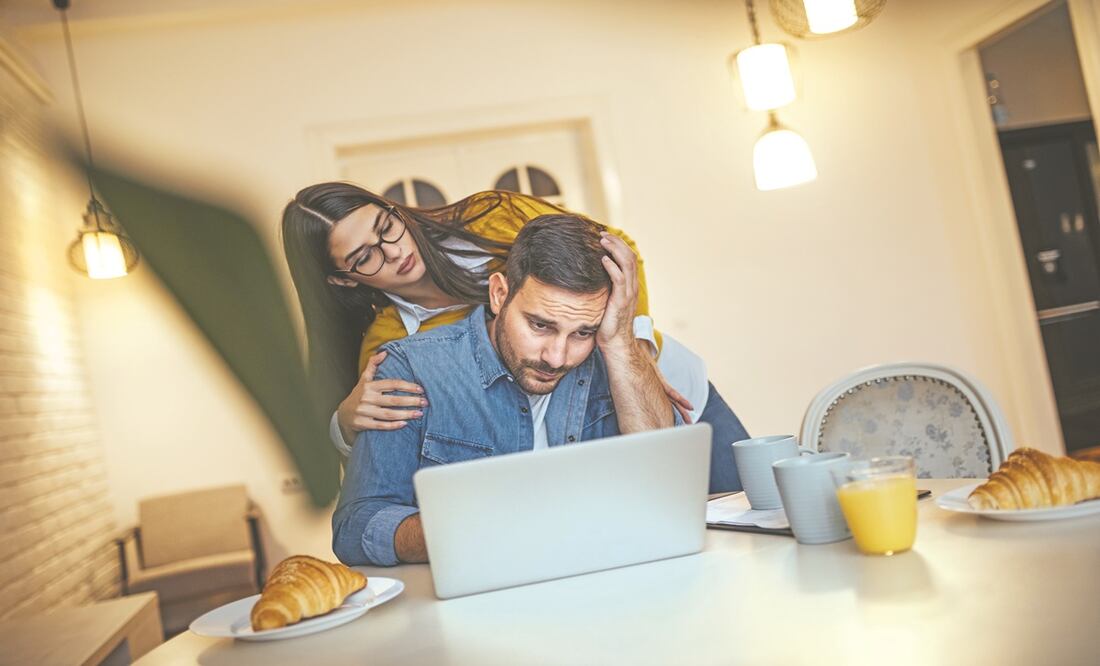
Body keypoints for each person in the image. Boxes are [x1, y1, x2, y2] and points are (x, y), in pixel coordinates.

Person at [281, 183, 748, 492]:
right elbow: (385, 462)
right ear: (343, 279)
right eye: (365, 257)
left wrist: (636, 351)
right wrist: (344, 426)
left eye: (386, 227)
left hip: (680, 396)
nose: (394, 251)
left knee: (751, 520)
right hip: (591, 437)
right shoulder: (389, 347)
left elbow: (616, 248)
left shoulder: (491, 218)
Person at [332, 215, 681, 566]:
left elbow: (663, 482)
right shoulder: (411, 368)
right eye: (540, 325)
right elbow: (355, 527)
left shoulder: (612, 355)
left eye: (582, 332)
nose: (557, 357)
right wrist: (465, 531)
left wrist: (619, 340)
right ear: (499, 294)